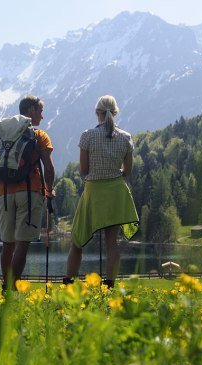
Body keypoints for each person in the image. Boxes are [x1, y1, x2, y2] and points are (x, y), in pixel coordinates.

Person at [64, 95, 139, 287]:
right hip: (115, 192)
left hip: (93, 192)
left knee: (77, 240)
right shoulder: (126, 138)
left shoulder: (87, 136)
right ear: (115, 113)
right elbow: (127, 171)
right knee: (112, 242)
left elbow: (84, 170)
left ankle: (69, 282)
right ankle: (110, 283)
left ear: (97, 113)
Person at [0, 95, 55, 290]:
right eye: (40, 111)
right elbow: (48, 166)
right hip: (30, 193)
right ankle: (12, 288)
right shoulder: (39, 136)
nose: (42, 116)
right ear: (30, 111)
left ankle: (6, 287)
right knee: (22, 242)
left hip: (4, 194)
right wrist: (49, 189)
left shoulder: (3, 135)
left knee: (7, 243)